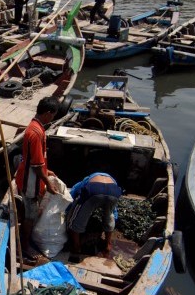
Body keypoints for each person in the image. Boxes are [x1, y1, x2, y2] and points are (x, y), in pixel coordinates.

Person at [15, 96, 61, 258]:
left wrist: (48, 172)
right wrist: (48, 183)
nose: (52, 118)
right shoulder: (35, 133)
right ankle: (25, 246)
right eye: (53, 115)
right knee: (30, 216)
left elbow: (36, 161)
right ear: (48, 113)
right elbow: (36, 166)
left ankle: (24, 237)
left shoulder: (36, 127)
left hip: (28, 177)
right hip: (30, 183)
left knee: (29, 212)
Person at [65, 172, 123, 255]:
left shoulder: (85, 181)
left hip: (94, 190)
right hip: (114, 192)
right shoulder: (113, 181)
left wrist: (67, 212)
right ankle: (108, 244)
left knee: (77, 220)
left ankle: (76, 246)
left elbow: (71, 196)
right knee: (109, 216)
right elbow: (114, 212)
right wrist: (113, 219)